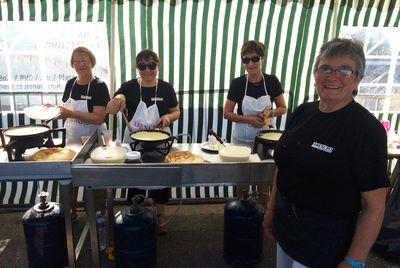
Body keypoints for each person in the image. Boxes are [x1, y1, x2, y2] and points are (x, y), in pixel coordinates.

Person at [263, 38, 389, 268]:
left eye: (344, 69)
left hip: (326, 242)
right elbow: (283, 167)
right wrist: (271, 210)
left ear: (358, 78)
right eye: (326, 68)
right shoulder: (302, 112)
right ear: (315, 75)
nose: (333, 76)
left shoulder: (367, 130)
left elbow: (374, 205)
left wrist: (354, 260)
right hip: (287, 229)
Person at [106, 49, 180, 235]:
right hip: (134, 141)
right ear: (137, 67)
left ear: (158, 65)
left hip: (160, 139)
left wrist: (168, 118)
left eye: (152, 65)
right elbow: (110, 108)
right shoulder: (129, 86)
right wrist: (118, 100)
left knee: (161, 177)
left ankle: (159, 215)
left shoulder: (166, 87)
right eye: (142, 66)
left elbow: (176, 111)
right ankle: (135, 213)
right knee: (135, 176)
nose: (147, 70)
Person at [223, 40, 287, 205]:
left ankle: (263, 212)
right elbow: (227, 113)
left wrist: (271, 112)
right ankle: (241, 208)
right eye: (246, 60)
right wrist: (250, 120)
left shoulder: (272, 81)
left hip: (265, 139)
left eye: (255, 58)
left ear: (262, 59)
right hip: (241, 139)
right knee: (242, 177)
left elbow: (283, 108)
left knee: (263, 178)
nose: (251, 63)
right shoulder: (238, 83)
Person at [58, 46, 110, 219]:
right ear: (72, 64)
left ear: (92, 62)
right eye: (77, 61)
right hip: (72, 139)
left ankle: (96, 214)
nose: (81, 64)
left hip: (93, 139)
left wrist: (70, 113)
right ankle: (68, 212)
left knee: (95, 177)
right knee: (68, 177)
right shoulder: (70, 84)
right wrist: (53, 111)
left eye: (85, 60)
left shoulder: (99, 86)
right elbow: (66, 109)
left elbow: (98, 118)